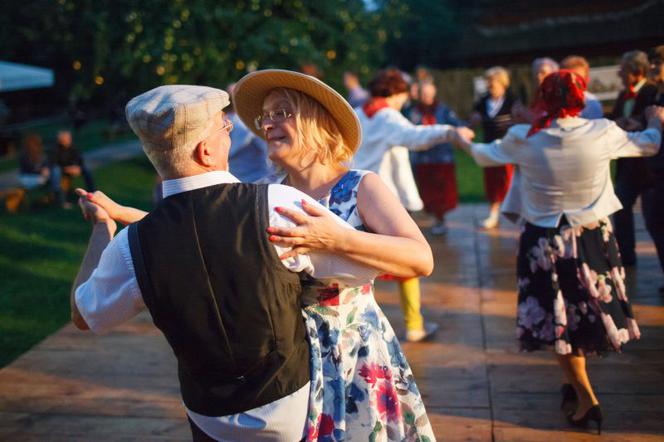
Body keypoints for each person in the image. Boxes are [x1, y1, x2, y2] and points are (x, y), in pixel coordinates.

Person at [71, 84, 380, 441]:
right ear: (205, 151)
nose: (230, 135)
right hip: (292, 407)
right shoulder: (276, 204)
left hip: (208, 416)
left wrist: (102, 227)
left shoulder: (132, 243)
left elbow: (84, 314)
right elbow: (359, 271)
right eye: (226, 128)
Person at [458, 70, 663, 434]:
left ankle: (585, 396)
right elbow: (648, 143)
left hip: (544, 239)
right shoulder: (601, 132)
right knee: (585, 314)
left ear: (543, 98)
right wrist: (654, 120)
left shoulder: (525, 137)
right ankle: (578, 388)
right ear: (580, 98)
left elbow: (482, 155)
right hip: (592, 237)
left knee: (559, 321)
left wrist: (460, 138)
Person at [353, 68, 474, 343]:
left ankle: (364, 329)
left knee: (363, 266)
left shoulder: (358, 115)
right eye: (402, 97)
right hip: (385, 202)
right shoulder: (387, 116)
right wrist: (451, 131)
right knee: (406, 262)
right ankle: (414, 324)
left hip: (357, 198)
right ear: (394, 94)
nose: (404, 103)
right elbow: (415, 137)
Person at [610, 50, 658, 267]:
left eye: (624, 69)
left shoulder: (651, 91)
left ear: (636, 72)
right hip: (627, 164)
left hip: (648, 166)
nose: (620, 73)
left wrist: (636, 122)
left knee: (655, 220)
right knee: (620, 207)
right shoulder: (623, 95)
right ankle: (627, 257)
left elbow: (652, 118)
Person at [407, 81, 463, 235]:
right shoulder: (414, 111)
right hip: (422, 160)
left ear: (434, 93)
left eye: (428, 94)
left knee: (442, 193)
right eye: (423, 94)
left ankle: (440, 220)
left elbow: (456, 125)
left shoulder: (443, 110)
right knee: (426, 193)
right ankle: (430, 218)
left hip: (442, 158)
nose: (426, 97)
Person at [469, 66, 516, 229]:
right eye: (488, 83)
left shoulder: (512, 101)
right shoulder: (482, 102)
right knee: (491, 180)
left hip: (508, 147)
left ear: (503, 83)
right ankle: (494, 214)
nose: (490, 87)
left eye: (493, 83)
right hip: (489, 146)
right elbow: (473, 122)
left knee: (508, 180)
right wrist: (473, 122)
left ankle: (515, 213)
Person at [642, 46, 664, 293]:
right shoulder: (652, 95)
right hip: (654, 173)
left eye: (658, 63)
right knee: (655, 224)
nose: (653, 68)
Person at [226, 82, 272, 183]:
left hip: (234, 181)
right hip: (258, 180)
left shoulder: (221, 122)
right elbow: (268, 151)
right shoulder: (250, 124)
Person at [50, 129, 95, 206]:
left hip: (73, 169)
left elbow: (80, 160)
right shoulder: (55, 149)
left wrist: (77, 167)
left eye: (69, 138)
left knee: (87, 170)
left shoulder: (73, 147)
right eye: (66, 139)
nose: (68, 140)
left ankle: (93, 194)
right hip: (62, 170)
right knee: (56, 171)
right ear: (61, 140)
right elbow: (54, 163)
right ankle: (60, 199)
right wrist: (66, 169)